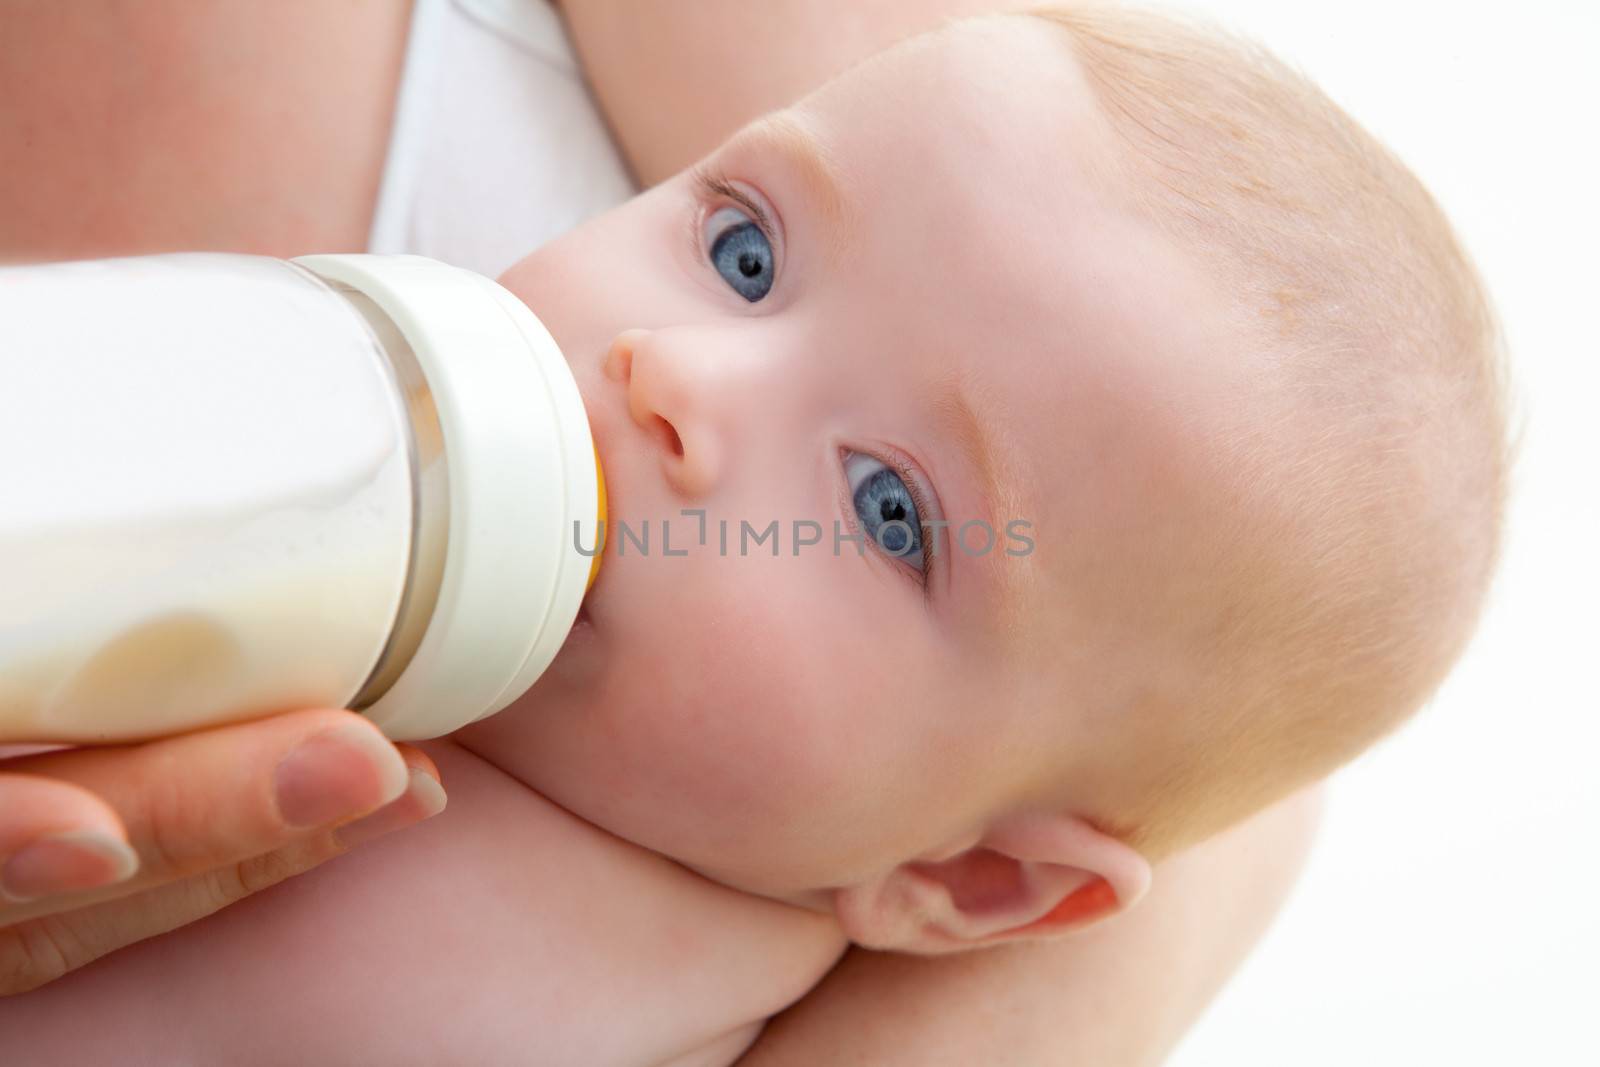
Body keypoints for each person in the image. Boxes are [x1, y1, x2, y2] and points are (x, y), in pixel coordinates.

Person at [1, 2, 1506, 1062]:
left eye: (888, 506)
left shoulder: (640, 990)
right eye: (741, 249)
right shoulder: (318, 459)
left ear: (964, 883)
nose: (674, 375)